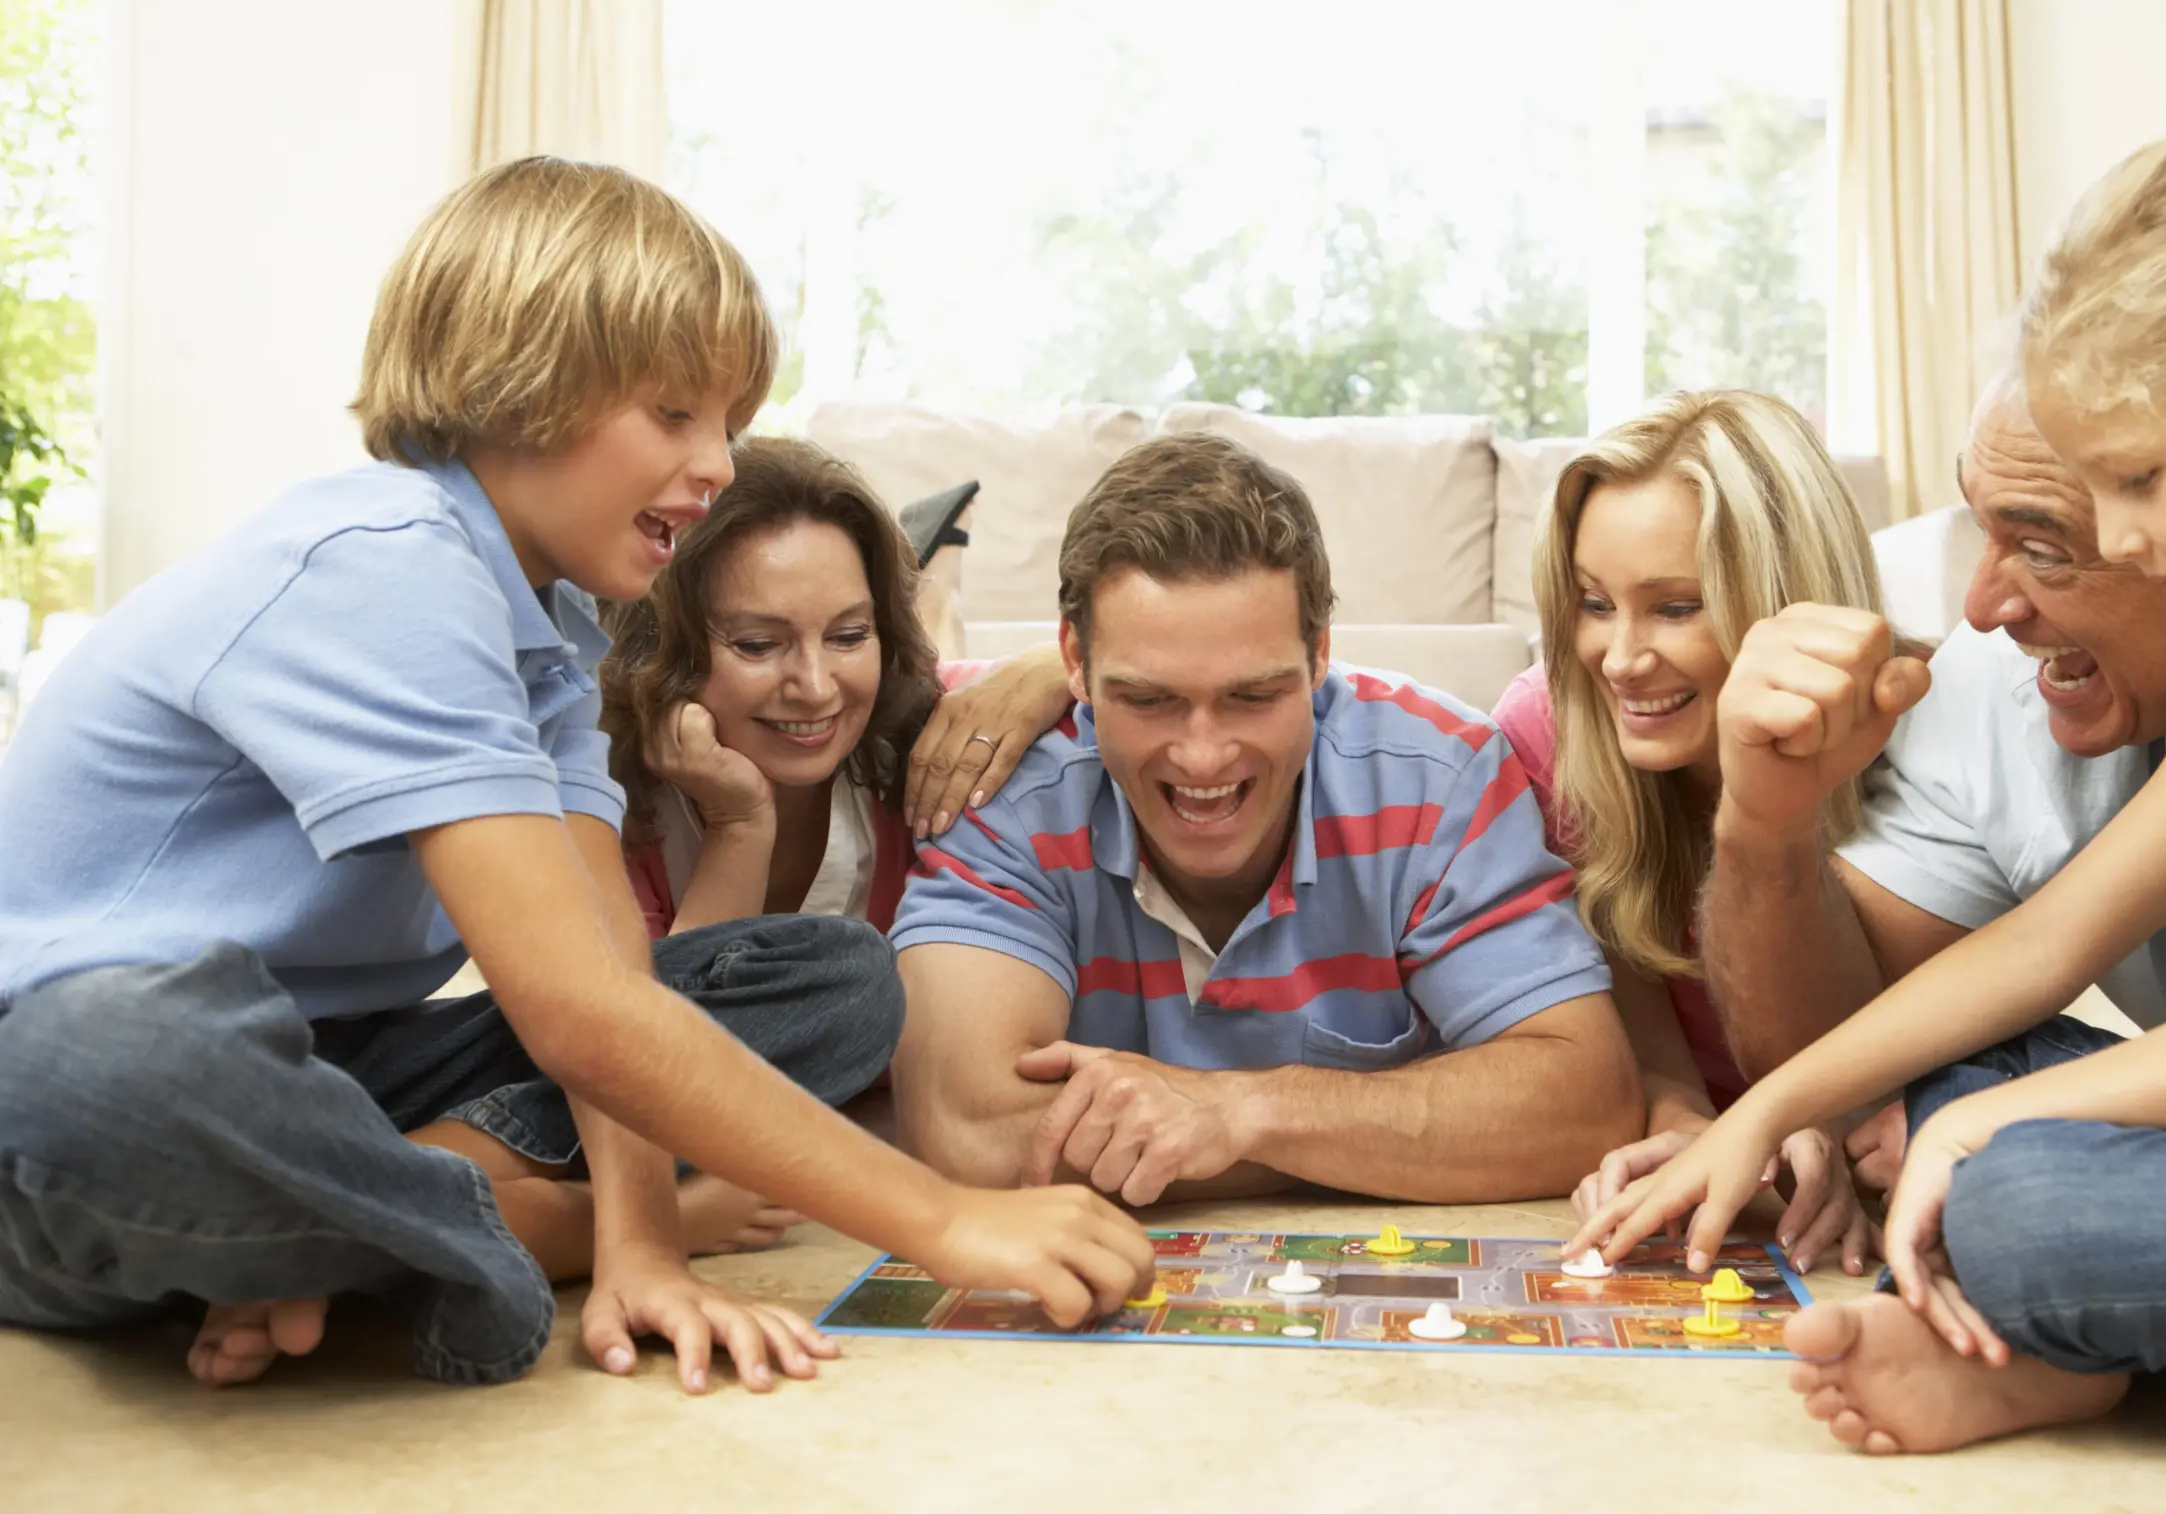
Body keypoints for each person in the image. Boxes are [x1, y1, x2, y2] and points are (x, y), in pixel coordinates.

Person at [0, 157, 1150, 1395]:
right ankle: (495, 1225)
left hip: (323, 1075)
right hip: (66, 1098)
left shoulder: (549, 635)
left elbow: (614, 976)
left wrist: (643, 1248)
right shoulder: (383, 562)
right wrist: (943, 1219)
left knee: (830, 978)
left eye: (728, 424)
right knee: (120, 1055)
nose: (717, 466)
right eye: (675, 414)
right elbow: (575, 1016)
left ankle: (330, 1225)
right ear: (523, 385)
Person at [1572, 118, 2166, 1453]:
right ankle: (2058, 1350)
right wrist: (1763, 1113)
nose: (2128, 539)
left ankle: (2059, 1333)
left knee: (2027, 1196)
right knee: (1953, 1079)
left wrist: (1984, 1127)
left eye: (2139, 481)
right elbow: (2049, 942)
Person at [891, 432, 1645, 1205]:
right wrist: (1379, 1137)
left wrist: (1241, 1114)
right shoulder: (997, 783)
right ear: (1074, 663)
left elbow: (1587, 1105)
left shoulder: (1440, 777)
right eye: (1148, 700)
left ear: (1319, 656)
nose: (1203, 756)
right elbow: (970, 1134)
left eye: (1253, 696)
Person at [1681, 374, 2166, 1198]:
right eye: (1980, 529)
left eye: (2046, 551)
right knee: (1959, 1088)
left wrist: (2007, 1116)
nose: (1978, 610)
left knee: (2004, 1174)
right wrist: (1763, 822)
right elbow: (2042, 946)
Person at [1491, 390, 1888, 1272]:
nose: (1621, 659)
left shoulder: (1923, 732)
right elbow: (1610, 979)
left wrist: (1817, 1116)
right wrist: (1680, 1118)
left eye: (1675, 608)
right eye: (1594, 603)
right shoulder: (1547, 729)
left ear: (1787, 597)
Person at [602, 436, 1071, 944]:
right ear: (661, 649)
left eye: (848, 635)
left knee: (935, 648)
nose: (815, 688)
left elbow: (1101, 670)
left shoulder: (930, 715)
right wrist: (739, 826)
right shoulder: (592, 798)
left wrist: (1055, 665)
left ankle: (936, 593)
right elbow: (663, 998)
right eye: (758, 644)